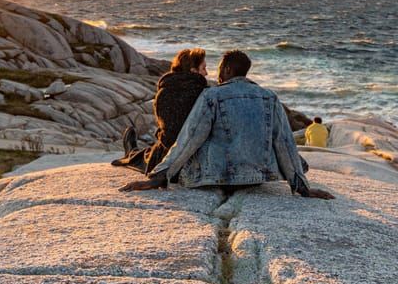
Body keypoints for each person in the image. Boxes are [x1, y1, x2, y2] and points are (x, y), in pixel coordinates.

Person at [120, 50, 335, 200]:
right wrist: (301, 187)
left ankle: (134, 154)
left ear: (230, 70)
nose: (218, 75)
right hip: (255, 179)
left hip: (215, 177)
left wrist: (159, 176)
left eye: (221, 69)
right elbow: (284, 143)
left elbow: (190, 138)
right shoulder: (269, 97)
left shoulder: (212, 96)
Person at [112, 48, 209, 174]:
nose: (206, 73)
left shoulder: (164, 92)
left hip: (168, 155)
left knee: (149, 155)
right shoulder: (205, 93)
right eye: (203, 68)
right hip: (187, 158)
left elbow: (167, 131)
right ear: (193, 71)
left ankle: (132, 151)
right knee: (145, 156)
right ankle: (132, 152)